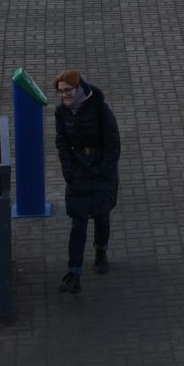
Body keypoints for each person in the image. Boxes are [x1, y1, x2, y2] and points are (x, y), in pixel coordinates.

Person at [53, 69, 120, 293]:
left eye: (68, 91)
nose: (64, 96)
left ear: (79, 88)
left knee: (101, 214)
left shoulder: (100, 109)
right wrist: (68, 171)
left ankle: (101, 250)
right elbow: (61, 143)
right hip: (78, 172)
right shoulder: (61, 113)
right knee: (78, 222)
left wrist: (104, 170)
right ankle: (74, 273)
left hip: (101, 172)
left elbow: (112, 143)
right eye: (61, 92)